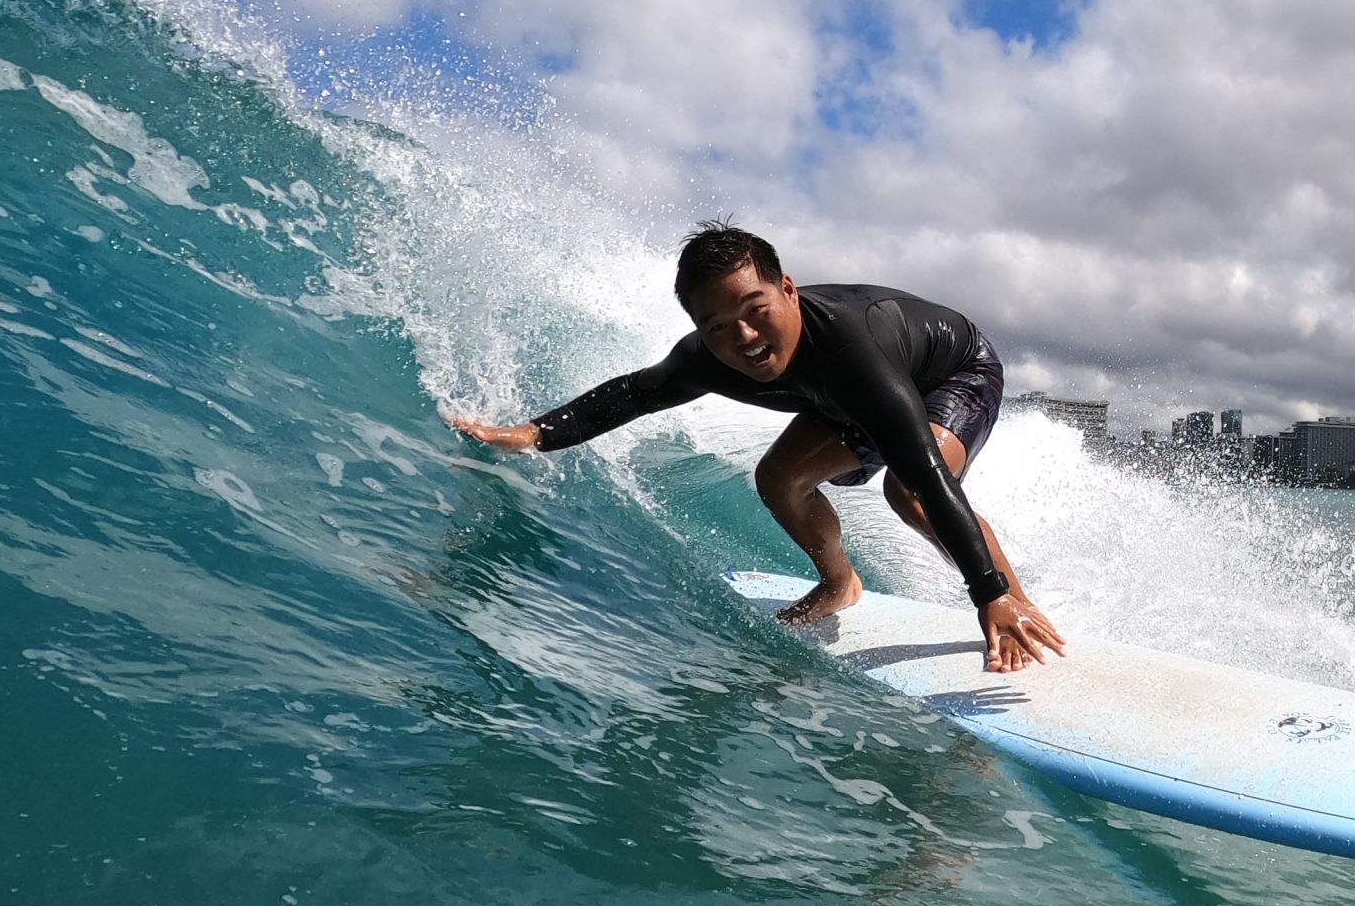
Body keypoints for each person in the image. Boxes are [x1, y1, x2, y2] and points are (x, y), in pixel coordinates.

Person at [443, 223, 1066, 674]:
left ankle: (1013, 602)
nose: (742, 336)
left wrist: (985, 591)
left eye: (755, 308)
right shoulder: (710, 358)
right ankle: (838, 583)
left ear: (788, 290)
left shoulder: (855, 351)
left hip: (951, 373)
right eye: (716, 326)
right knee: (780, 479)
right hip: (841, 402)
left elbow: (931, 477)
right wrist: (534, 433)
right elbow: (634, 394)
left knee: (907, 490)